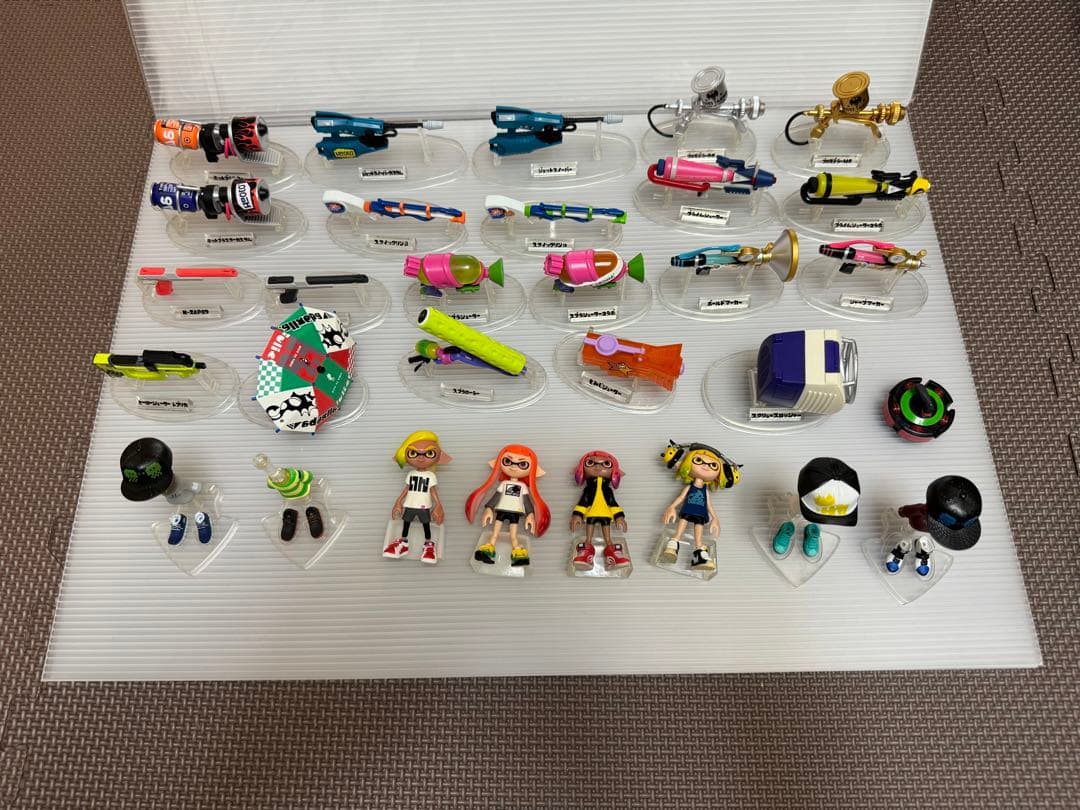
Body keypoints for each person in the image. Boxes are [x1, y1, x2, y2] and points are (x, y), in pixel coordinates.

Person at [659, 441, 740, 571]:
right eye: (698, 460)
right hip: (687, 510)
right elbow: (681, 497)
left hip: (701, 514)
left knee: (699, 531)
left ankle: (699, 553)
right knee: (682, 524)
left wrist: (715, 518)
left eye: (713, 465)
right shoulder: (689, 487)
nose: (705, 466)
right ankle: (673, 544)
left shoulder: (705, 491)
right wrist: (672, 507)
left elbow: (709, 505)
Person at [384, 431, 452, 564]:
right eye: (414, 453)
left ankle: (429, 545)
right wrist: (398, 502)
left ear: (439, 457)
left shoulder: (430, 476)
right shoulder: (411, 474)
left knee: (426, 525)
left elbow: (433, 491)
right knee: (406, 523)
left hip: (424, 506)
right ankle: (403, 543)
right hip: (409, 504)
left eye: (429, 453)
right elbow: (406, 489)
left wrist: (438, 504)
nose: (421, 458)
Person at [570, 450, 630, 571]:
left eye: (606, 464)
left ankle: (613, 555)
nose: (598, 467)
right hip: (591, 515)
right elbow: (583, 502)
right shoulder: (588, 490)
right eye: (590, 463)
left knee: (608, 538)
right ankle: (585, 554)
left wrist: (619, 516)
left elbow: (613, 503)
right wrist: (577, 515)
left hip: (606, 515)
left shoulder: (608, 490)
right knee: (588, 537)